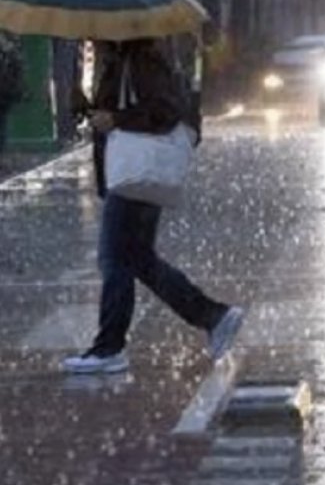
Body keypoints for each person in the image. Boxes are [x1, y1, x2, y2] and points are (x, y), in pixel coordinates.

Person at [62, 39, 244, 375]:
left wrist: (115, 118)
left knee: (114, 258)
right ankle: (213, 316)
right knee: (139, 259)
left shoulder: (142, 60)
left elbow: (163, 111)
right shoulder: (120, 59)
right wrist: (87, 108)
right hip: (132, 174)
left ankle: (109, 348)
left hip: (137, 173)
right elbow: (120, 111)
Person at [0, 31, 22, 156]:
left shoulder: (10, 43)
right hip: (6, 92)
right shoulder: (11, 41)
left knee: (2, 125)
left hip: (5, 92)